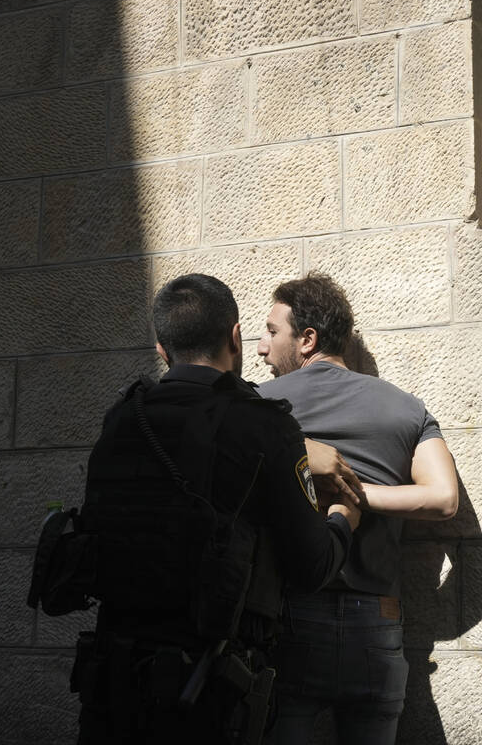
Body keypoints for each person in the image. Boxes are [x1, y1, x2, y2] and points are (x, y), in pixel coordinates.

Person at [72, 273, 362, 745]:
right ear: (234, 336)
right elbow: (310, 567)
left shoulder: (122, 418)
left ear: (162, 349)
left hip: (113, 685)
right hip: (207, 693)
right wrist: (342, 521)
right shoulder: (265, 425)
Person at [255, 272, 459, 745]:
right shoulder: (406, 409)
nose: (262, 347)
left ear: (307, 339)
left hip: (288, 620)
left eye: (271, 331)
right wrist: (362, 495)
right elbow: (444, 498)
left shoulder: (259, 409)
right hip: (378, 624)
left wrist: (341, 489)